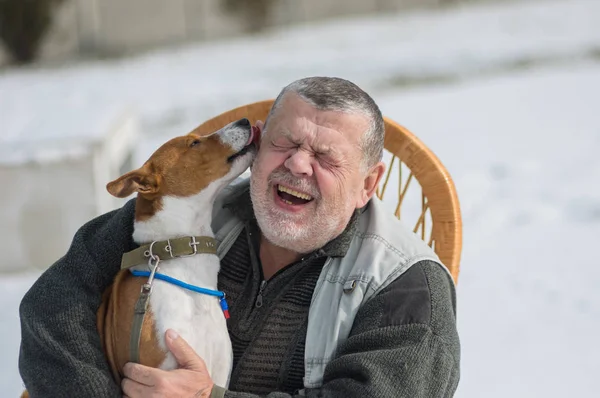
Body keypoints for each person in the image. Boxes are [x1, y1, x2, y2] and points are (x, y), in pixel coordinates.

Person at [19, 76, 460, 398]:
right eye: (285, 143)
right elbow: (52, 307)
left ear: (368, 184)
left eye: (326, 156)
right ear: (258, 147)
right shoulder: (186, 217)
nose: (298, 165)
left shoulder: (408, 286)